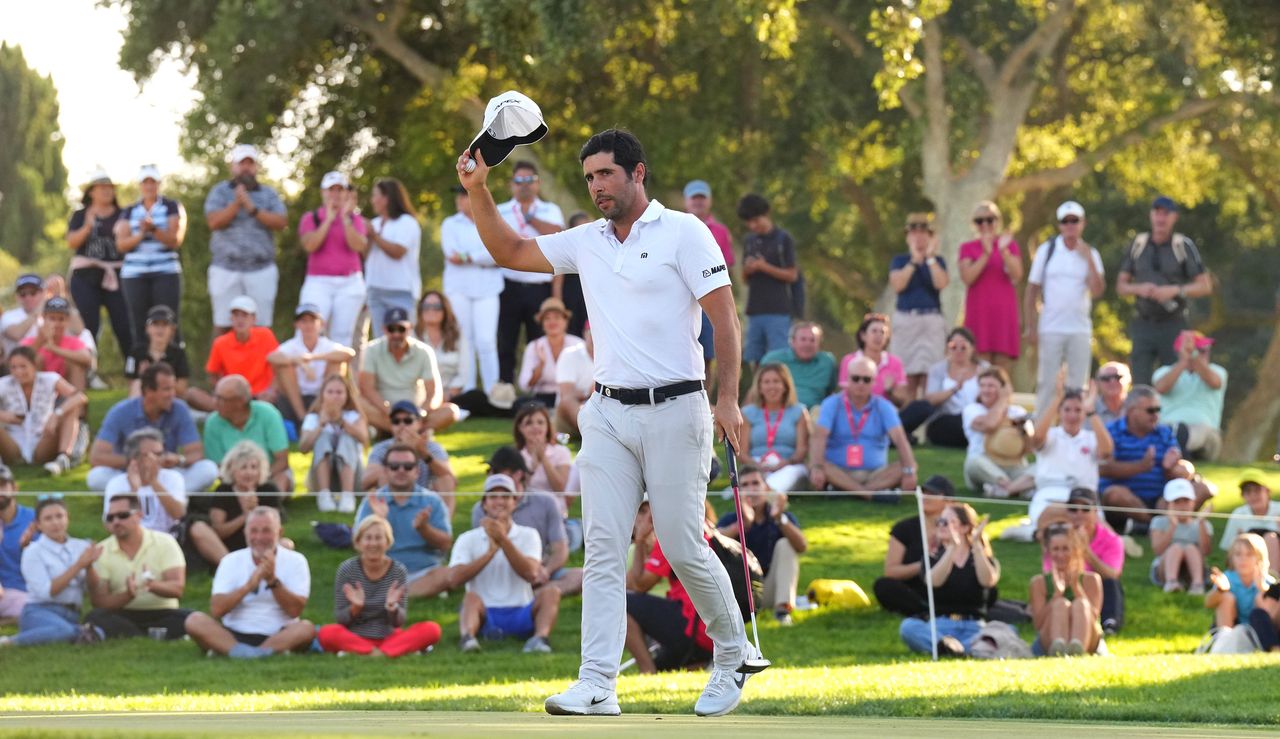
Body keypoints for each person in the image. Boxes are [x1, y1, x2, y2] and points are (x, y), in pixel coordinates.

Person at [459, 128, 754, 717]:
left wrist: (729, 400)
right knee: (600, 547)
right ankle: (597, 681)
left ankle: (732, 654)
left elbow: (725, 319)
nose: (597, 187)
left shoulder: (685, 232)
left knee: (680, 543)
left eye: (607, 175)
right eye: (590, 177)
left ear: (638, 173)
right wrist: (478, 189)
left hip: (679, 408)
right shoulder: (588, 241)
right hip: (608, 413)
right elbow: (511, 252)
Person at [183, 507, 314, 658]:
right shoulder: (230, 560)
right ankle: (248, 652)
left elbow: (294, 611)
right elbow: (217, 610)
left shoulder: (296, 561)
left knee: (307, 628)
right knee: (194, 620)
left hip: (279, 633)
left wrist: (272, 580)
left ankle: (250, 653)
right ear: (245, 533)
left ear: (280, 533)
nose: (259, 537)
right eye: (254, 531)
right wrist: (250, 585)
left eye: (266, 531)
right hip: (234, 632)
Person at [450, 476, 559, 654]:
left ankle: (540, 639)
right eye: (493, 497)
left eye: (505, 496)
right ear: (484, 504)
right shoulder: (467, 538)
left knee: (551, 592)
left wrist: (503, 540)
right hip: (484, 613)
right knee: (470, 598)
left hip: (521, 610)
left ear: (514, 503)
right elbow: (454, 579)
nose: (499, 501)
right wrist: (490, 553)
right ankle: (468, 639)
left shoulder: (529, 534)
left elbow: (531, 573)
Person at [1116, 196, 1212, 386]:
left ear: (1174, 217)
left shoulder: (1182, 246)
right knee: (1140, 383)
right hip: (1143, 323)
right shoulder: (1138, 244)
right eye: (1157, 213)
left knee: (1174, 381)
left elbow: (1204, 286)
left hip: (1174, 324)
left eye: (1165, 214)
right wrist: (1139, 289)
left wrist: (1175, 290)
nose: (1161, 218)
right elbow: (1121, 286)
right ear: (1151, 215)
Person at [317, 515, 443, 657]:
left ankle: (375, 652)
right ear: (358, 542)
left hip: (390, 636)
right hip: (355, 636)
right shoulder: (347, 569)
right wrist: (355, 608)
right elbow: (341, 619)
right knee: (326, 633)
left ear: (388, 542)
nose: (373, 543)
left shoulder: (397, 570)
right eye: (368, 538)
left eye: (378, 538)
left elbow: (399, 622)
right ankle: (381, 652)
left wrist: (393, 608)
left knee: (432, 629)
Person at [1023, 201, 1105, 417]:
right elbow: (1032, 290)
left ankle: (1074, 432)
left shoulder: (1091, 253)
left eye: (1074, 221)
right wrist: (1030, 326)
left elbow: (1097, 290)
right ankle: (1042, 432)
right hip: (1050, 327)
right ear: (1059, 225)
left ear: (1082, 223)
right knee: (1047, 383)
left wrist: (1088, 259)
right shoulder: (1047, 251)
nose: (1070, 225)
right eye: (1065, 221)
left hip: (1079, 328)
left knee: (1077, 385)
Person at [624, 500, 723, 672]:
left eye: (649, 511)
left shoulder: (674, 533)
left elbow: (639, 586)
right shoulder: (703, 527)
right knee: (663, 667)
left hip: (694, 628)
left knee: (619, 602)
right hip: (714, 631)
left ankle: (647, 671)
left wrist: (640, 539)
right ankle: (702, 662)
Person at [104, 428, 227, 567]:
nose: (160, 459)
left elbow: (179, 514)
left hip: (172, 538)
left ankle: (230, 566)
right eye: (154, 454)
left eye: (161, 453)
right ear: (134, 458)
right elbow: (111, 524)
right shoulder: (117, 483)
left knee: (198, 527)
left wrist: (154, 482)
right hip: (137, 539)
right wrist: (134, 490)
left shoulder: (172, 477)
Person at [88, 362, 218, 493]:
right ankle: (164, 497)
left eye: (173, 388)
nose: (172, 394)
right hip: (130, 475)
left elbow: (196, 452)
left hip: (167, 474)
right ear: (149, 391)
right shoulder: (120, 412)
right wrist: (137, 461)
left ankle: (152, 497)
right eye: (167, 389)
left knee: (208, 469)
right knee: (96, 477)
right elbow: (97, 457)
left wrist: (178, 459)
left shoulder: (180, 409)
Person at [204, 143, 288, 333]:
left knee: (261, 327)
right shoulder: (220, 191)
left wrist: (252, 208)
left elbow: (281, 222)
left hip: (261, 269)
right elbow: (213, 222)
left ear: (256, 167)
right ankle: (219, 364)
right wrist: (236, 204)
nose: (246, 168)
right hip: (225, 268)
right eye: (242, 163)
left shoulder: (269, 194)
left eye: (250, 163)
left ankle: (261, 364)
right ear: (233, 166)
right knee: (224, 325)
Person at [809, 356, 918, 501]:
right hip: (839, 470)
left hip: (876, 473)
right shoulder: (831, 403)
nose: (861, 384)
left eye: (866, 379)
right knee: (819, 465)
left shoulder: (884, 406)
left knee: (906, 467)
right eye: (856, 379)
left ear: (874, 382)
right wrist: (816, 467)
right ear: (847, 379)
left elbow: (900, 439)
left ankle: (846, 491)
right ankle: (871, 494)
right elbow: (819, 437)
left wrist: (909, 471)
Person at [85, 493, 191, 640]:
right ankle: (149, 635)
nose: (116, 521)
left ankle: (135, 635)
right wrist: (127, 596)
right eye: (110, 518)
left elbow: (177, 589)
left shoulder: (165, 542)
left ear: (139, 515)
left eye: (122, 515)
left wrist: (152, 585)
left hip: (163, 612)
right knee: (95, 616)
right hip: (123, 613)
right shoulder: (101, 550)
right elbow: (99, 602)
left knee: (191, 618)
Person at [899, 503, 1000, 657]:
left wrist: (977, 545)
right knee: (908, 627)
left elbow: (988, 581)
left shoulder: (982, 558)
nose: (941, 525)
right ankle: (960, 649)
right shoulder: (932, 558)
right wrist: (952, 548)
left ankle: (953, 650)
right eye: (940, 521)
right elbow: (934, 582)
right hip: (940, 627)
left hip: (974, 626)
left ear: (965, 527)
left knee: (1006, 631)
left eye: (947, 522)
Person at [496, 161, 565, 385]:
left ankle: (542, 389)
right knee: (507, 341)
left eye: (529, 180)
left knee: (540, 341)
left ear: (538, 183)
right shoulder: (502, 210)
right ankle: (505, 390)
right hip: (510, 284)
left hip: (540, 286)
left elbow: (560, 237)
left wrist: (530, 218)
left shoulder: (550, 209)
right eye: (519, 181)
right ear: (511, 184)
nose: (524, 186)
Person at [354, 444, 453, 598]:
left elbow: (446, 543)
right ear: (386, 471)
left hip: (425, 571)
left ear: (417, 471)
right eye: (394, 466)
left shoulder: (432, 500)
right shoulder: (372, 501)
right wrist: (379, 520)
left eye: (407, 466)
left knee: (448, 574)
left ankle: (396, 594)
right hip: (383, 571)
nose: (401, 470)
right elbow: (359, 545)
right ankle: (408, 593)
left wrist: (424, 529)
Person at [471, 457, 579, 596]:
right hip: (502, 571)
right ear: (485, 504)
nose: (492, 476)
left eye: (497, 472)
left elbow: (560, 548)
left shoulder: (544, 504)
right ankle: (530, 595)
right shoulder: (479, 510)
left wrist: (545, 571)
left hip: (538, 568)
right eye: (493, 497)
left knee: (581, 576)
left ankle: (532, 596)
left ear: (518, 475)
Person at [1098, 386, 1200, 533]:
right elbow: (1103, 468)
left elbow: (1181, 469)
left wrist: (1172, 467)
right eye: (1150, 411)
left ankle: (1149, 525)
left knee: (1202, 488)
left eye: (1158, 410)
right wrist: (1140, 467)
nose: (1156, 415)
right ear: (1132, 411)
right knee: (1115, 494)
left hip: (1161, 497)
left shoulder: (1164, 432)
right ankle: (1154, 524)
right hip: (1125, 498)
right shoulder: (1111, 431)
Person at [716, 465, 807, 623]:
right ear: (737, 492)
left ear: (766, 487)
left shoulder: (779, 515)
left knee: (786, 544)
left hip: (769, 590)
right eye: (745, 485)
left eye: (756, 483)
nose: (751, 489)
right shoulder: (730, 520)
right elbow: (711, 544)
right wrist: (742, 525)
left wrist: (780, 519)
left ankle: (782, 611)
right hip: (739, 595)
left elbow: (802, 546)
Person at [5, 498, 98, 646]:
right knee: (65, 632)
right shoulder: (33, 551)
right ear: (38, 525)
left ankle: (78, 631)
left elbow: (92, 589)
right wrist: (78, 565)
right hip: (39, 611)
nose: (55, 522)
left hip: (72, 613)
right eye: (48, 518)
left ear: (68, 518)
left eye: (59, 516)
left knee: (67, 630)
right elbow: (46, 592)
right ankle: (9, 642)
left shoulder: (81, 546)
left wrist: (90, 566)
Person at [441, 185, 503, 395]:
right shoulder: (450, 224)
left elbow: (498, 254)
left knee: (486, 341)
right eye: (458, 196)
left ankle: (492, 393)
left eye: (463, 196)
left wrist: (469, 257)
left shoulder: (491, 220)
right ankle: (467, 392)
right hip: (459, 289)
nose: (459, 200)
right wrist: (481, 256)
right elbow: (452, 255)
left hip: (488, 289)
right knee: (465, 340)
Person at [114, 164, 187, 342]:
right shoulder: (129, 211)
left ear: (159, 184)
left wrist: (154, 229)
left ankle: (172, 364)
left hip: (165, 272)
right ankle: (143, 365)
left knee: (168, 320)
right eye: (145, 182)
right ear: (140, 185)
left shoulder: (171, 206)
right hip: (134, 273)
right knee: (139, 324)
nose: (149, 186)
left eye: (152, 182)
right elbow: (121, 245)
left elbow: (175, 240)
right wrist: (140, 234)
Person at [1027, 377, 1114, 526]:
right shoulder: (1051, 435)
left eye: (1078, 410)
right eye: (1067, 410)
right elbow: (1037, 439)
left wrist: (1091, 411)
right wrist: (1057, 399)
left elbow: (1106, 451)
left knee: (1089, 523)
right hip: (1050, 497)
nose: (1072, 415)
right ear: (1059, 412)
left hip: (1084, 498)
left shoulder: (1091, 437)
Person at [297, 171, 368, 348]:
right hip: (318, 282)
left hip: (350, 282)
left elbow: (358, 245)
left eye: (340, 190)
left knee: (342, 336)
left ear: (346, 193)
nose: (335, 194)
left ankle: (336, 376)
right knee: (310, 330)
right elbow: (310, 245)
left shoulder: (354, 219)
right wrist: (327, 220)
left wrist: (345, 219)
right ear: (323, 192)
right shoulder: (311, 218)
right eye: (331, 190)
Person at [66, 170, 132, 359]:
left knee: (123, 323)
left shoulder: (123, 214)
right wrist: (88, 225)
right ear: (91, 192)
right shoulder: (80, 215)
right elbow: (71, 242)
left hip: (117, 274)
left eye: (110, 187)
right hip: (86, 276)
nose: (107, 191)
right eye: (102, 187)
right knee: (88, 324)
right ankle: (88, 368)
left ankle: (132, 368)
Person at [873, 475, 955, 617]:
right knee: (883, 586)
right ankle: (926, 610)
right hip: (914, 590)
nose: (925, 497)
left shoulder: (958, 527)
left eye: (933, 494)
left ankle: (945, 609)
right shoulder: (904, 528)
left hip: (948, 587)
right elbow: (891, 572)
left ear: (949, 501)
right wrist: (925, 564)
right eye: (924, 492)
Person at [888, 213, 948, 399]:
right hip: (907, 319)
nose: (919, 237)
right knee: (907, 378)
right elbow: (898, 284)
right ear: (908, 237)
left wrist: (929, 258)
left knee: (930, 377)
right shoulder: (900, 261)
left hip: (931, 320)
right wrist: (914, 261)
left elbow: (941, 283)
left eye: (923, 233)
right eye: (914, 233)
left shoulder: (937, 262)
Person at [0, 346, 86, 476]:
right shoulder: (4, 383)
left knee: (71, 410)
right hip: (13, 445)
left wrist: (56, 415)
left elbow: (79, 397)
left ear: (34, 365)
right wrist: (3, 415)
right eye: (13, 367)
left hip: (43, 439)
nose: (18, 372)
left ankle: (62, 459)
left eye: (23, 366)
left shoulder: (49, 379)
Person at [357, 307, 445, 434]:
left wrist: (421, 412)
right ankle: (412, 431)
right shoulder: (371, 349)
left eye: (401, 329)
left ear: (409, 329)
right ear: (384, 330)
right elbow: (366, 388)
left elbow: (434, 393)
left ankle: (392, 429)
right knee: (358, 403)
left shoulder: (424, 351)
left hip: (415, 410)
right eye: (391, 329)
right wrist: (388, 410)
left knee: (451, 411)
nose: (396, 334)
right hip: (383, 411)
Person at [958, 201, 1022, 369]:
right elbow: (968, 277)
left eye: (990, 219)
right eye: (980, 221)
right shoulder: (967, 248)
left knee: (1001, 370)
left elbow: (1017, 274)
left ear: (997, 221)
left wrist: (1003, 252)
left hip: (1003, 313)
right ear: (975, 224)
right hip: (979, 313)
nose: (985, 224)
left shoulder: (1009, 245)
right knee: (979, 366)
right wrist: (986, 254)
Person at [267, 304, 355, 427]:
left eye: (312, 321)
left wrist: (312, 357)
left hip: (321, 395)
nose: (308, 325)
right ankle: (303, 418)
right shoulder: (291, 345)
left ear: (321, 324)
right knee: (284, 367)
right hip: (295, 397)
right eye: (303, 321)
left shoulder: (327, 345)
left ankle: (325, 412)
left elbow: (349, 354)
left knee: (336, 364)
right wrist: (296, 360)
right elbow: (272, 357)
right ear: (297, 325)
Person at [897, 328, 987, 447]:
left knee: (973, 421)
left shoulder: (984, 369)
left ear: (972, 348)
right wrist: (954, 389)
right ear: (947, 348)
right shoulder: (938, 370)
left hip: (976, 417)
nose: (958, 350)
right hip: (946, 419)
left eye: (963, 347)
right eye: (953, 346)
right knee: (957, 424)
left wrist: (983, 386)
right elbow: (930, 400)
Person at [361, 401, 458, 511]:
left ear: (419, 423)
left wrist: (424, 454)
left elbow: (451, 479)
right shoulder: (382, 448)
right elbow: (365, 482)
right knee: (384, 476)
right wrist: (394, 459)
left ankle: (443, 525)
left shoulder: (431, 448)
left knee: (445, 479)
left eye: (408, 421)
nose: (402, 425)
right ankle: (392, 519)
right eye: (396, 421)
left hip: (425, 500)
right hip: (393, 500)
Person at [737, 193, 797, 364]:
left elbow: (792, 275)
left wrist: (764, 267)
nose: (753, 225)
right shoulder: (749, 241)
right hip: (754, 309)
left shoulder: (783, 239)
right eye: (748, 222)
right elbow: (744, 279)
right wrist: (748, 269)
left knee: (778, 358)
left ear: (767, 214)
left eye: (756, 220)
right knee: (753, 358)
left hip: (778, 309)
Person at [203, 375, 291, 491]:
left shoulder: (268, 414)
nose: (215, 402)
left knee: (281, 479)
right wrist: (242, 482)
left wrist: (258, 478)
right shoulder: (212, 422)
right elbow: (218, 466)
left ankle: (270, 505)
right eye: (215, 396)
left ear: (240, 401)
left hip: (270, 474)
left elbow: (282, 461)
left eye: (221, 399)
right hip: (234, 481)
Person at [1030, 522, 1103, 656]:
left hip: (1089, 637)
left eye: (1065, 549)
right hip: (1049, 637)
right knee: (1060, 604)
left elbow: (1093, 617)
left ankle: (1077, 647)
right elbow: (1038, 624)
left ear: (1074, 550)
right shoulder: (1038, 582)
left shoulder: (1091, 579)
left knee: (1080, 604)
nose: (1060, 554)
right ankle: (1058, 647)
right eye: (1056, 549)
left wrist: (1076, 589)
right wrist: (1056, 595)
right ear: (1049, 551)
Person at [685, 181, 735, 375]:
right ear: (686, 201)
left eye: (702, 198)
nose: (698, 202)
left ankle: (706, 401)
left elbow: (727, 265)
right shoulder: (674, 226)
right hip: (681, 298)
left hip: (709, 297)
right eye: (694, 198)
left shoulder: (721, 231)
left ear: (709, 201)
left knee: (708, 354)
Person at [299, 374, 368, 514]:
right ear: (322, 394)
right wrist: (320, 425)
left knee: (347, 438)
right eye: (330, 392)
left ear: (347, 395)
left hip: (353, 475)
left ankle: (348, 496)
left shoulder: (355, 416)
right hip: (321, 476)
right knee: (323, 437)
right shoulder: (313, 418)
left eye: (339, 392)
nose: (334, 396)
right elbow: (303, 448)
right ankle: (324, 495)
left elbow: (365, 440)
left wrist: (342, 422)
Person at [1152, 330, 1227, 461]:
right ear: (1180, 352)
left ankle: (1178, 446)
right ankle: (1178, 447)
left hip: (1207, 439)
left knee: (1201, 429)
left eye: (1205, 350)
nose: (1204, 354)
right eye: (1200, 350)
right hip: (1168, 431)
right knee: (1169, 430)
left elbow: (1214, 382)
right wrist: (1183, 362)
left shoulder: (1218, 371)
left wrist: (1192, 356)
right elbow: (1161, 388)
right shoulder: (1163, 372)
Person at [961, 367, 1034, 498]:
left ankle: (1005, 490)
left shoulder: (1018, 412)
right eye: (982, 385)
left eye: (991, 386)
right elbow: (990, 425)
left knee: (1042, 469)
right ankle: (1015, 487)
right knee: (973, 462)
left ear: (1003, 388)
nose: (985, 390)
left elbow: (1030, 448)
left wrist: (1023, 431)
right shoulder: (972, 409)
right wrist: (1003, 399)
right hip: (985, 466)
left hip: (1014, 465)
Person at [365, 178, 423, 337]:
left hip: (401, 291)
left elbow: (398, 252)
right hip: (375, 290)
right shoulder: (375, 223)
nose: (372, 200)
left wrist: (374, 236)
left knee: (404, 340)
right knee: (381, 340)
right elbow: (363, 254)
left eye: (375, 195)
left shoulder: (407, 222)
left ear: (386, 198)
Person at [738, 363, 810, 492]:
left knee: (789, 473)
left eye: (776, 381)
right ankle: (761, 490)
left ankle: (762, 492)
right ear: (759, 387)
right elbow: (742, 453)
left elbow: (802, 450)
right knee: (753, 474)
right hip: (757, 463)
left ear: (785, 386)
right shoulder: (748, 413)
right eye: (766, 382)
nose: (772, 386)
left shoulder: (799, 411)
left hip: (789, 465)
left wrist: (785, 463)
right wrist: (757, 465)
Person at [208, 441, 286, 552]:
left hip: (263, 545)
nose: (249, 472)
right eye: (243, 467)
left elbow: (276, 530)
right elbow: (218, 531)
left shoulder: (269, 489)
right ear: (231, 469)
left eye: (254, 467)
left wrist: (256, 510)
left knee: (286, 544)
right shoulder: (223, 490)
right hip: (229, 546)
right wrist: (246, 515)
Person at [206, 296, 278, 401]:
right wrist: (222, 392)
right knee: (192, 394)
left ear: (254, 319)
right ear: (231, 318)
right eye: (236, 315)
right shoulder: (220, 343)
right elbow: (212, 373)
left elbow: (278, 367)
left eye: (245, 315)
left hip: (262, 396)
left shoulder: (266, 335)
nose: (240, 320)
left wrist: (271, 390)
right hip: (233, 397)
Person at [414, 290, 471, 421]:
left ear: (445, 310)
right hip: (420, 394)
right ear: (420, 310)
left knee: (476, 397)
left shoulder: (457, 335)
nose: (431, 310)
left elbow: (463, 373)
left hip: (451, 395)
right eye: (426, 306)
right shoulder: (412, 336)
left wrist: (446, 395)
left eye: (437, 307)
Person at [517, 298, 584, 408]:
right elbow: (524, 386)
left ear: (565, 321)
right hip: (543, 398)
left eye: (557, 317)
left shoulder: (578, 344)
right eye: (547, 318)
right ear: (542, 324)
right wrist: (541, 366)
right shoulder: (534, 346)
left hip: (572, 397)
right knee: (521, 404)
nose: (552, 322)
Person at [1150, 478, 1213, 594]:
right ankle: (1171, 582)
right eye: (1177, 502)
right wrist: (1173, 526)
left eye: (1186, 501)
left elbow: (1205, 551)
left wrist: (1201, 523)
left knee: (1191, 548)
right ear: (1168, 504)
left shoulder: (1202, 524)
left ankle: (1197, 584)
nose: (1182, 506)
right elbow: (1158, 550)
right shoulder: (1159, 521)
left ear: (1193, 502)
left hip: (1193, 569)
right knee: (1176, 548)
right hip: (1163, 570)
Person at [760, 322, 837, 411]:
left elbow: (830, 392)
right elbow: (756, 390)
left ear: (819, 344)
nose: (808, 344)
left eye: (812, 340)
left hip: (814, 414)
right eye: (803, 339)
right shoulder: (773, 359)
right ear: (792, 341)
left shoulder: (827, 361)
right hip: (779, 411)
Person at [837, 313, 908, 407]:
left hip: (886, 416)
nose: (878, 336)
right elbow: (845, 396)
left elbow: (902, 402)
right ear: (863, 336)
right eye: (874, 331)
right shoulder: (849, 361)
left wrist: (889, 392)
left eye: (882, 332)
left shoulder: (896, 363)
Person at [22, 298, 92, 391]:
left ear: (67, 321)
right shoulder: (30, 340)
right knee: (36, 359)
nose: (57, 323)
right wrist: (40, 340)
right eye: (52, 318)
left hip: (66, 391)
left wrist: (53, 348)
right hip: (39, 394)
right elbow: (20, 360)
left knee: (77, 364)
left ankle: (77, 401)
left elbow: (87, 359)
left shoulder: (74, 341)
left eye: (61, 319)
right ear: (43, 318)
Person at [1206, 533, 1274, 629]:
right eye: (1238, 554)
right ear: (1231, 557)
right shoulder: (1228, 577)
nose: (1243, 559)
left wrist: (1263, 589)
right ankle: (1225, 639)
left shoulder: (1268, 581)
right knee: (1226, 597)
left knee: (1260, 597)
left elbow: (1273, 615)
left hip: (1259, 630)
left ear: (1260, 558)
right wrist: (1220, 590)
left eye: (1249, 554)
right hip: (1232, 626)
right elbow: (1208, 604)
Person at [124, 305, 192, 401]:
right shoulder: (136, 352)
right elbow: (131, 384)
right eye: (155, 324)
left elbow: (182, 389)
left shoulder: (178, 354)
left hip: (171, 399)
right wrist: (143, 377)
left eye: (165, 324)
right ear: (147, 328)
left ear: (172, 330)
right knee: (137, 384)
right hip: (145, 399)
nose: (160, 329)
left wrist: (154, 377)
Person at [1219, 471, 1280, 571]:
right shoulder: (1238, 514)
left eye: (1257, 491)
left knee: (1271, 538)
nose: (1253, 495)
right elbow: (1229, 548)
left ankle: (1273, 579)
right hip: (1249, 565)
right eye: (1248, 492)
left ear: (1267, 492)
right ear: (1243, 495)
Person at [514, 403, 573, 499]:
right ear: (520, 428)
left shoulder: (561, 452)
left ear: (548, 426)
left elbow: (560, 489)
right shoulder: (515, 455)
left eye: (540, 422)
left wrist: (543, 458)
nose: (535, 427)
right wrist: (533, 466)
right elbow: (515, 493)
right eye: (529, 423)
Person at [0, 470, 35, 624]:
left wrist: (27, 547)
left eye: (2, 485)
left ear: (15, 488)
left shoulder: (34, 519)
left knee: (31, 607)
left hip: (24, 592)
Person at [554, 323, 594, 436]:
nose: (594, 337)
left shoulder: (611, 357)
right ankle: (592, 432)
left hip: (597, 407)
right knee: (568, 401)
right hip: (569, 414)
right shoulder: (570, 354)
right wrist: (590, 392)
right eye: (591, 333)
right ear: (584, 334)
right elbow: (566, 394)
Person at [2, 275, 49, 359]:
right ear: (17, 296)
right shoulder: (8, 316)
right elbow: (16, 334)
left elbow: (77, 330)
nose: (28, 297)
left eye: (33, 293)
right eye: (23, 294)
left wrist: (59, 297)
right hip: (16, 368)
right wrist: (37, 312)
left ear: (43, 294)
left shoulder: (50, 314)